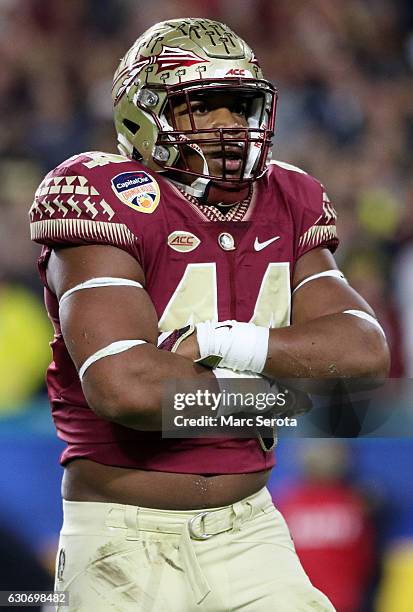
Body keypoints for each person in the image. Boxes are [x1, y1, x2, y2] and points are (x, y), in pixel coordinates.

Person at [29, 18, 389, 612]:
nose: (228, 126)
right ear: (143, 115)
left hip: (251, 529)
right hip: (124, 537)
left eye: (238, 105)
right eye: (205, 107)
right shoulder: (101, 191)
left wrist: (223, 341)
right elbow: (126, 390)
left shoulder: (290, 197)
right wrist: (275, 394)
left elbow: (364, 354)